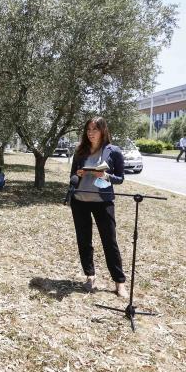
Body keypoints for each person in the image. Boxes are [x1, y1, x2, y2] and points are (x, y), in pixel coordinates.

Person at [69, 116, 126, 296]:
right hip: (80, 202)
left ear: (103, 131)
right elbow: (72, 177)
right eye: (88, 130)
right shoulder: (80, 151)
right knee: (84, 241)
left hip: (103, 203)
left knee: (109, 241)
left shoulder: (113, 151)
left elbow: (120, 178)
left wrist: (105, 176)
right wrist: (77, 175)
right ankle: (90, 276)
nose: (91, 133)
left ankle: (119, 283)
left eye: (95, 129)